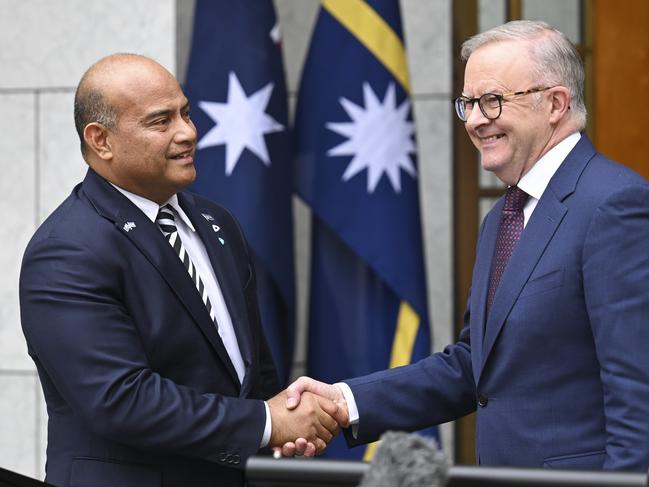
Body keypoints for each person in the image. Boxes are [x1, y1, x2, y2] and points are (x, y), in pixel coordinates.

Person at [284, 20, 649, 471]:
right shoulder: (504, 215)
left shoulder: (613, 205)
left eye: (492, 101)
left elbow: (637, 388)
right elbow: (473, 365)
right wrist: (344, 400)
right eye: (468, 103)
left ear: (555, 103)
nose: (475, 121)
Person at [19, 53, 344, 487]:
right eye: (160, 121)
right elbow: (121, 399)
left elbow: (254, 373)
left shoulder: (216, 223)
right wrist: (265, 422)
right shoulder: (67, 249)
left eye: (186, 113)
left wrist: (281, 419)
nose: (188, 133)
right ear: (101, 140)